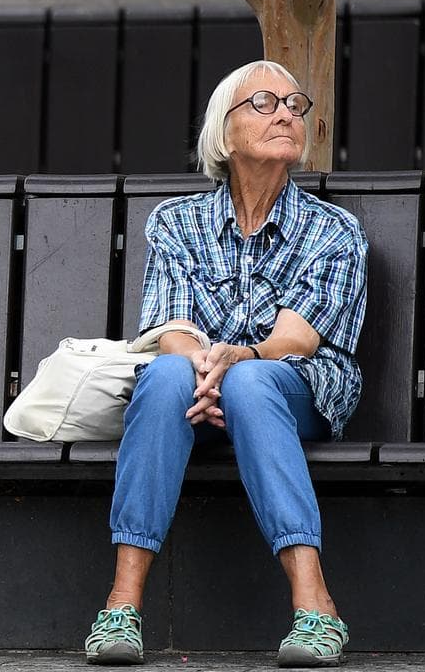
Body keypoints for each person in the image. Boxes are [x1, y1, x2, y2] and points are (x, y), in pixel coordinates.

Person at [83, 60, 368, 668]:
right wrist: (206, 368)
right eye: (265, 103)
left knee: (253, 380)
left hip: (298, 389)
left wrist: (239, 362)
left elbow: (295, 341)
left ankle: (316, 606)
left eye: (295, 105)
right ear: (223, 131)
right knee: (162, 375)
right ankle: (121, 607)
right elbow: (172, 332)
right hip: (199, 392)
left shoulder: (334, 231)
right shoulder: (177, 222)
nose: (287, 114)